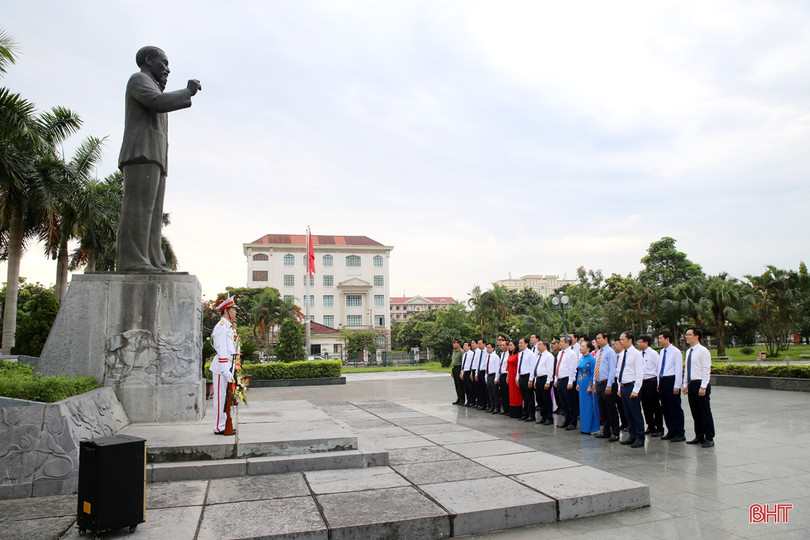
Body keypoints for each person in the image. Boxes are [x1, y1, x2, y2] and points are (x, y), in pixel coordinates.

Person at [117, 46, 201, 272]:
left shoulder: (152, 85)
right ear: (148, 60)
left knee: (153, 215)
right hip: (140, 152)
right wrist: (186, 92)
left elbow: (159, 101)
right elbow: (156, 101)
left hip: (155, 155)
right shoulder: (139, 80)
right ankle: (133, 261)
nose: (167, 69)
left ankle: (154, 260)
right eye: (163, 63)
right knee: (138, 209)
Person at [683, 327, 715, 448]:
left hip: (700, 383)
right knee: (695, 412)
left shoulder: (703, 351)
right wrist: (685, 384)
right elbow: (687, 369)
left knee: (705, 412)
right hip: (691, 384)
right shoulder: (688, 351)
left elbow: (706, 370)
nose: (687, 337)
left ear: (697, 336)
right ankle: (699, 435)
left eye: (689, 335)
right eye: (686, 335)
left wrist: (703, 386)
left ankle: (709, 437)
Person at [211, 296, 236, 435]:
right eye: (233, 309)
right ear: (226, 310)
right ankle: (218, 426)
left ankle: (224, 423)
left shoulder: (227, 327)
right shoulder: (221, 327)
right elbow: (221, 350)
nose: (235, 312)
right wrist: (225, 370)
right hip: (222, 367)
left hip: (227, 365)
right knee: (221, 398)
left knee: (226, 398)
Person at [617, 332, 645, 447]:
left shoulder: (636, 354)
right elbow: (620, 371)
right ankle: (632, 435)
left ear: (630, 340)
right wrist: (619, 387)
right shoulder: (623, 353)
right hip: (623, 386)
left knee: (635, 413)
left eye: (623, 339)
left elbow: (639, 373)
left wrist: (636, 390)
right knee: (627, 413)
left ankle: (640, 437)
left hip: (632, 386)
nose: (621, 342)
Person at [657, 331, 686, 442]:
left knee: (675, 407)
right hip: (663, 381)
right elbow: (660, 368)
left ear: (667, 339)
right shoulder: (662, 352)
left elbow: (679, 369)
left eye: (660, 338)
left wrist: (677, 386)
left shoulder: (676, 352)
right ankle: (671, 430)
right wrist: (659, 383)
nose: (659, 340)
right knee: (665, 407)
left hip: (671, 380)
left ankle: (679, 432)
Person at [593, 332, 620, 441]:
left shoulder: (610, 352)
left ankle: (615, 432)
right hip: (599, 383)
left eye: (599, 338)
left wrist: (609, 384)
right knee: (602, 409)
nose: (597, 340)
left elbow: (612, 369)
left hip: (607, 384)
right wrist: (594, 383)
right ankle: (606, 430)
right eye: (596, 338)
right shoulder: (599, 352)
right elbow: (596, 368)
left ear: (606, 339)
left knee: (611, 408)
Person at [638, 334, 664, 437]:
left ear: (646, 343)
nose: (638, 344)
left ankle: (659, 427)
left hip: (651, 381)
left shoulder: (653, 354)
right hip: (642, 382)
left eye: (640, 342)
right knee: (645, 406)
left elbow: (658, 369)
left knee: (655, 406)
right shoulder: (639, 354)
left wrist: (658, 383)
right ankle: (650, 425)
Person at [555, 336, 578, 430]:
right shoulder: (560, 353)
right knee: (563, 402)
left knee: (570, 402)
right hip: (560, 379)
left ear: (567, 343)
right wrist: (556, 379)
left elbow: (572, 368)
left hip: (567, 379)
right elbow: (558, 366)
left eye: (561, 341)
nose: (560, 343)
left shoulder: (572, 354)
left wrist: (570, 381)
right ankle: (566, 420)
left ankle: (572, 422)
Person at [577, 340, 600, 434]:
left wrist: (591, 385)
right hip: (581, 383)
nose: (581, 348)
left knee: (590, 405)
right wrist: (578, 383)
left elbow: (593, 373)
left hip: (587, 383)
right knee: (583, 406)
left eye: (583, 346)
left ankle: (593, 427)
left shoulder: (591, 359)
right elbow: (579, 372)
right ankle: (584, 427)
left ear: (588, 348)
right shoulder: (582, 358)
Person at [533, 340, 554, 425]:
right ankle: (543, 416)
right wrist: (535, 379)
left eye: (540, 345)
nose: (538, 347)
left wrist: (548, 381)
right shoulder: (539, 356)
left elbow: (550, 370)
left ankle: (549, 417)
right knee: (540, 398)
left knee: (546, 399)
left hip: (545, 379)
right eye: (537, 345)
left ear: (545, 346)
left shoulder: (549, 356)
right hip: (538, 378)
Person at [516, 337, 536, 421]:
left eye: (521, 343)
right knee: (524, 397)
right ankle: (525, 413)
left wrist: (531, 379)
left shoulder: (530, 354)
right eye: (519, 343)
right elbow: (518, 366)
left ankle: (531, 415)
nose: (520, 344)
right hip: (521, 376)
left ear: (526, 344)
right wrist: (517, 377)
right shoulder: (520, 354)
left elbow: (532, 367)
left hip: (527, 376)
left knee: (529, 397)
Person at [506, 339, 522, 418]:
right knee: (511, 393)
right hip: (510, 375)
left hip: (516, 374)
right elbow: (508, 367)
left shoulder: (518, 354)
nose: (510, 347)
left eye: (511, 345)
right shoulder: (510, 355)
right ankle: (512, 410)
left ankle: (518, 411)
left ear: (515, 346)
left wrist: (517, 377)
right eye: (509, 345)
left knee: (516, 393)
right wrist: (507, 376)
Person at [485, 342, 501, 413]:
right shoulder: (487, 357)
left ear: (493, 348)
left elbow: (497, 368)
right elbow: (486, 368)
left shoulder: (496, 357)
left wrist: (496, 378)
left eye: (489, 348)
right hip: (489, 375)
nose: (487, 349)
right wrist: (486, 377)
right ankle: (492, 406)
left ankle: (497, 407)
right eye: (487, 348)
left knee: (495, 393)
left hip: (493, 375)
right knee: (490, 392)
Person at [497, 336, 510, 415]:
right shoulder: (502, 354)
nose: (501, 347)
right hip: (501, 374)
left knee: (507, 392)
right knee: (502, 393)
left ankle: (508, 409)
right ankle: (505, 409)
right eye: (501, 345)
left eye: (503, 345)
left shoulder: (509, 354)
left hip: (506, 375)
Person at [449, 339, 465, 405]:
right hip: (454, 368)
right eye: (453, 343)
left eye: (455, 343)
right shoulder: (454, 351)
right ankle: (458, 398)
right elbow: (453, 361)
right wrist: (452, 371)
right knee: (456, 385)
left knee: (460, 385)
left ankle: (462, 399)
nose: (453, 344)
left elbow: (462, 362)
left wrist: (461, 371)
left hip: (459, 368)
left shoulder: (461, 351)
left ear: (458, 344)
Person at [461, 341, 475, 406]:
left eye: (466, 345)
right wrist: (462, 372)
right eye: (464, 345)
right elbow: (463, 364)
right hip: (465, 371)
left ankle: (472, 401)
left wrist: (471, 373)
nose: (464, 347)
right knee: (466, 388)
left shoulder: (472, 354)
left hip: (469, 371)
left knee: (470, 387)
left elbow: (472, 364)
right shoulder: (464, 354)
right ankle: (468, 400)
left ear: (469, 347)